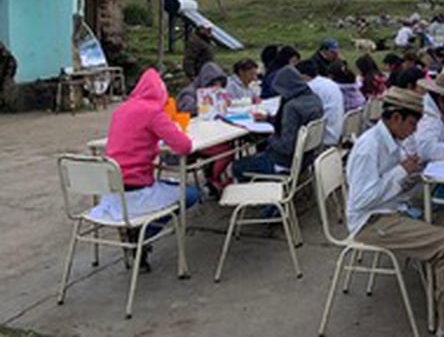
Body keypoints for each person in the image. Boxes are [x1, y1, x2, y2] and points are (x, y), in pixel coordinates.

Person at [346, 87, 444, 330]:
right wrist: (401, 171)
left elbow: (392, 184)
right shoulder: (369, 147)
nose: (414, 130)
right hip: (370, 222)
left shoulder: (392, 139)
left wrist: (410, 173)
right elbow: (362, 200)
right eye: (412, 124)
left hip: (391, 210)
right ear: (395, 118)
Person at [94, 69, 199, 271]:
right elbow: (184, 146)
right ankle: (144, 233)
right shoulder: (153, 112)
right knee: (193, 193)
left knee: (167, 185)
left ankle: (136, 235)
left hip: (112, 191)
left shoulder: (121, 110)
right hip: (137, 189)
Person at [232, 66, 323, 178]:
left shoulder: (291, 107)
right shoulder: (314, 99)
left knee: (237, 166)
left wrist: (269, 137)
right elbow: (295, 124)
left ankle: (257, 191)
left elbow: (286, 147)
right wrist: (269, 119)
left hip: (285, 163)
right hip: (306, 159)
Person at [176, 62, 234, 195]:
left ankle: (215, 177)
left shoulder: (212, 91)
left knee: (229, 144)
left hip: (210, 132)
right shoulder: (189, 94)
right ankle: (213, 179)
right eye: (214, 85)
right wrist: (206, 104)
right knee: (226, 151)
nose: (217, 88)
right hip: (194, 138)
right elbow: (186, 111)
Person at [297, 59, 344, 147]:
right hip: (336, 132)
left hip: (323, 138)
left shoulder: (310, 88)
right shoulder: (330, 83)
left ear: (302, 76)